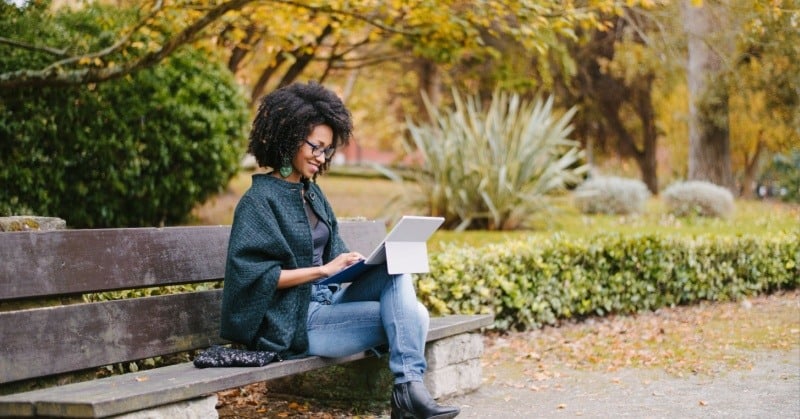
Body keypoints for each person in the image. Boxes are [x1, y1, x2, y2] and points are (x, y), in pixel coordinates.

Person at [220, 81, 460, 419]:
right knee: (414, 317)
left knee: (395, 270)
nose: (321, 158)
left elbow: (335, 256)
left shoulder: (313, 195)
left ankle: (407, 391)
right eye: (315, 147)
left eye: (327, 150)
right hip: (296, 322)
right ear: (288, 137)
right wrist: (322, 271)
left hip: (328, 302)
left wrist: (358, 263)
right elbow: (253, 276)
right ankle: (408, 393)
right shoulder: (258, 202)